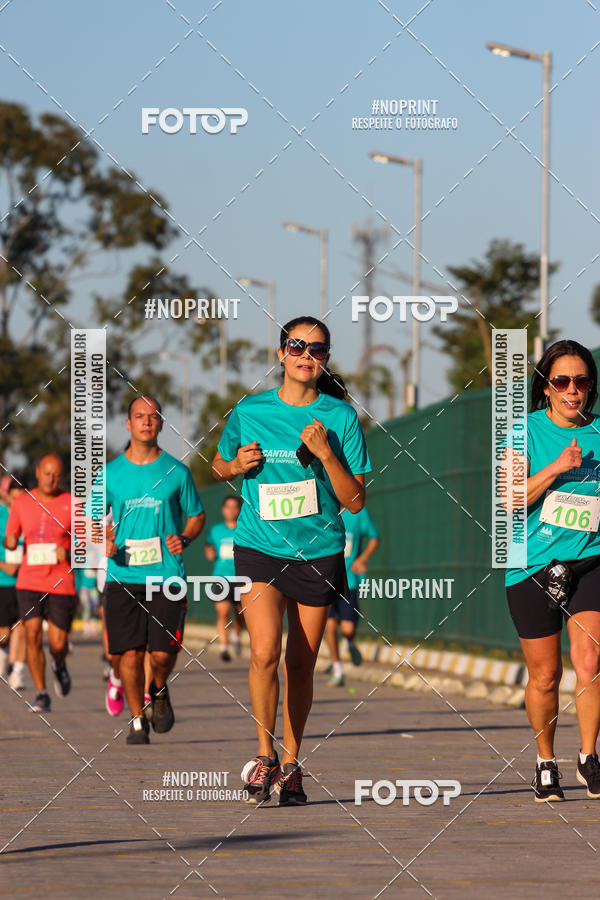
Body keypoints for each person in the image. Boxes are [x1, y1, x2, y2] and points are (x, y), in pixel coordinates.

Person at [212, 316, 371, 805]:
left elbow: (356, 500)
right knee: (263, 651)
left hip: (319, 552)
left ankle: (291, 762)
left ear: (326, 359)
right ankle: (263, 755)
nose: (307, 356)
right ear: (281, 353)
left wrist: (326, 455)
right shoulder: (251, 409)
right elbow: (218, 465)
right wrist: (236, 466)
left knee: (301, 663)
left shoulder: (340, 417)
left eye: (318, 349)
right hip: (259, 546)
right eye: (297, 346)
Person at [504, 339, 600, 802]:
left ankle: (588, 757)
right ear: (545, 387)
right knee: (545, 675)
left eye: (581, 381)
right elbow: (509, 499)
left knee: (591, 662)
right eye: (561, 380)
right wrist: (559, 467)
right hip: (533, 563)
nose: (572, 390)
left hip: (590, 560)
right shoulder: (523, 432)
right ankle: (546, 761)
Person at [90, 396, 205, 744]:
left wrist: (184, 538)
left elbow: (197, 515)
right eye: (139, 416)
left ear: (161, 424)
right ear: (128, 424)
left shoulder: (177, 472)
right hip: (123, 575)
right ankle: (137, 721)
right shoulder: (109, 474)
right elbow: (92, 520)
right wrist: (103, 543)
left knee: (161, 654)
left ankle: (158, 688)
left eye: (153, 417)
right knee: (128, 653)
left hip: (167, 575)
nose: (146, 422)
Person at [3, 455, 77, 712]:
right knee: (32, 635)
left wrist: (68, 553)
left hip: (61, 581)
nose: (51, 479)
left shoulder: (72, 503)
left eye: (56, 474)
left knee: (57, 644)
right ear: (38, 473)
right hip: (29, 581)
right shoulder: (23, 502)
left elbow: (89, 544)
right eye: (46, 473)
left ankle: (59, 664)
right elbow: (11, 538)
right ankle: (42, 693)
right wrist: (10, 541)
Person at [326, 505, 380, 686]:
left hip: (349, 582)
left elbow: (374, 537)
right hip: (324, 582)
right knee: (330, 625)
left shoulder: (358, 513)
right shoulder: (323, 507)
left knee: (348, 629)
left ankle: (350, 643)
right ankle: (338, 669)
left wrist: (362, 559)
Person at [204, 495, 244, 661]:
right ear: (223, 510)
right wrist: (210, 552)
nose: (231, 510)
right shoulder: (216, 530)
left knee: (240, 612)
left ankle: (236, 635)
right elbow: (209, 545)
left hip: (242, 577)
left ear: (240, 510)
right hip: (222, 577)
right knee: (223, 612)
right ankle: (223, 647)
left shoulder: (244, 528)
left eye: (235, 507)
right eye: (228, 507)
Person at [0, 479, 25, 685]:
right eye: (14, 497)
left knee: (23, 625)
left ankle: (17, 672)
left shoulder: (31, 514)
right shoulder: (0, 515)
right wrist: (3, 565)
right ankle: (3, 656)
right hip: (3, 581)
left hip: (26, 581)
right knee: (4, 633)